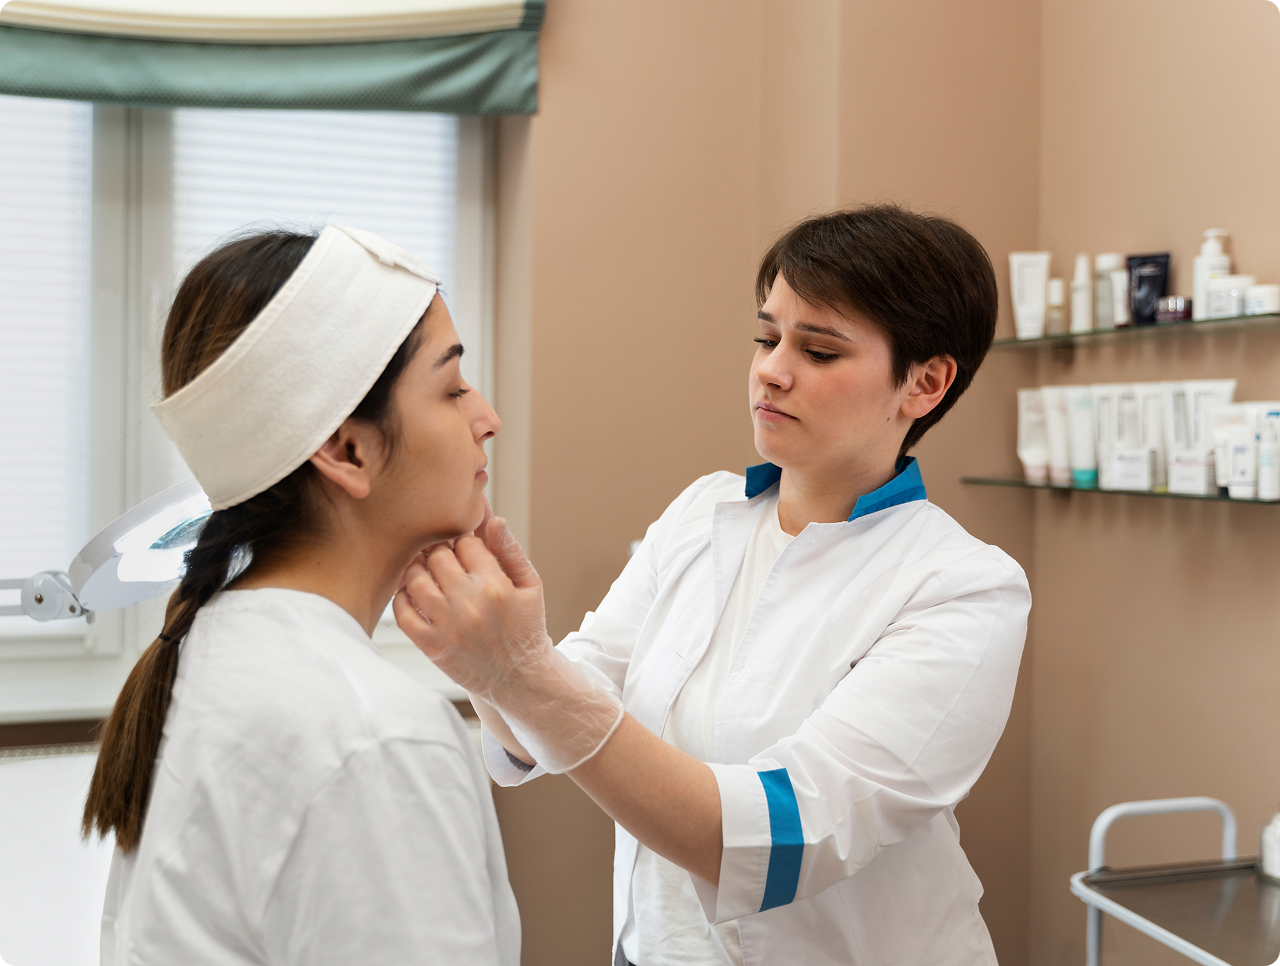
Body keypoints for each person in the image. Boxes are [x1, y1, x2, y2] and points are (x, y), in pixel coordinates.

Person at [396, 204, 1031, 965]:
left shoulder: (963, 588)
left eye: (819, 351)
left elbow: (785, 840)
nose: (772, 368)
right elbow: (560, 711)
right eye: (767, 337)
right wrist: (487, 662)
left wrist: (520, 671)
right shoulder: (704, 510)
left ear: (923, 384)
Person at [83, 225, 519, 965]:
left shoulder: (207, 644)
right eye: (451, 387)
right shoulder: (375, 737)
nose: (488, 418)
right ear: (347, 450)